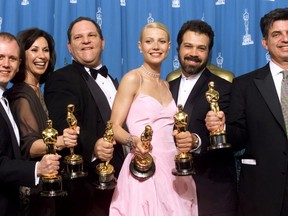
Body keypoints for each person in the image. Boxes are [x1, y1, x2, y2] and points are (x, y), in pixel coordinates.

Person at [109, 22, 198, 216]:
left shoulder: (167, 85)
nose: (156, 47)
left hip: (174, 167)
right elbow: (113, 127)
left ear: (168, 47)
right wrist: (134, 141)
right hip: (145, 164)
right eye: (149, 41)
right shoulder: (133, 78)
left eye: (161, 41)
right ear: (140, 45)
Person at [206, 8, 288, 216]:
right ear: (265, 43)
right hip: (263, 193)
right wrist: (222, 127)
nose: (284, 39)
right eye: (276, 34)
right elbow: (238, 136)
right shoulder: (245, 85)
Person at [44, 17, 125, 216]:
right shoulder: (62, 78)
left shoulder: (115, 81)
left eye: (91, 35)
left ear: (103, 42)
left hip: (121, 182)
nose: (86, 41)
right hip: (86, 190)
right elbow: (64, 123)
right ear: (70, 47)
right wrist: (94, 145)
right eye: (78, 37)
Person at [5, 28, 79, 216]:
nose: (41, 56)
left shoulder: (37, 91)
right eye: (34, 50)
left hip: (45, 186)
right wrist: (61, 141)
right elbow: (28, 146)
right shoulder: (21, 95)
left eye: (45, 50)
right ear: (22, 56)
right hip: (31, 191)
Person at [169, 20, 237, 216]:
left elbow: (234, 135)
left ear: (209, 52)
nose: (193, 54)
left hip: (212, 190)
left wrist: (196, 141)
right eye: (188, 46)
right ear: (178, 48)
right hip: (171, 189)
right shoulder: (166, 87)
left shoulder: (224, 89)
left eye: (201, 48)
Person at [0, 32, 61, 216]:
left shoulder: (5, 100)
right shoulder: (19, 96)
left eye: (12, 58)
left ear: (18, 63)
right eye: (1, 57)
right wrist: (37, 168)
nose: (6, 64)